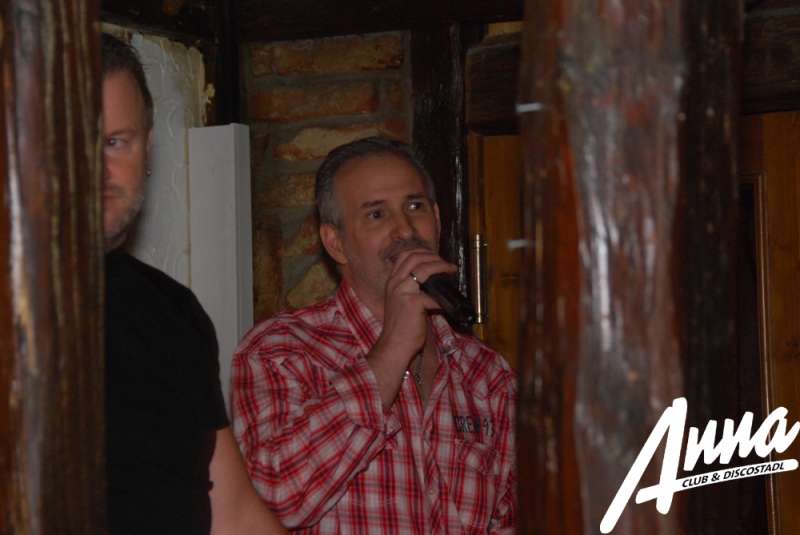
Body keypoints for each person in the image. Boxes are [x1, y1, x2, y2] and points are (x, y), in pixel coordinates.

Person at [231, 137, 516, 534]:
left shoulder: (487, 375)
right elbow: (273, 499)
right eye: (377, 215)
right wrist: (393, 348)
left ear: (437, 218)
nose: (405, 230)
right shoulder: (280, 350)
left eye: (415, 207)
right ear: (336, 243)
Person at [101, 33, 286, 535]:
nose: (97, 167)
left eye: (115, 142)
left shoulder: (173, 311)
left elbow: (233, 514)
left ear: (147, 147)